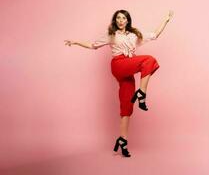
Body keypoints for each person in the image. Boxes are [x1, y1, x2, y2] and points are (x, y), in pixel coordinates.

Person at [64, 9, 173, 157]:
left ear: (128, 20)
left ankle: (122, 140)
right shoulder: (112, 35)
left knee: (127, 106)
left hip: (128, 69)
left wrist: (166, 20)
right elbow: (92, 45)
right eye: (118, 18)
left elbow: (155, 34)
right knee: (149, 60)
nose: (120, 20)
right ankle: (141, 93)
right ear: (115, 21)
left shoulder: (135, 36)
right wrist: (76, 42)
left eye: (123, 18)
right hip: (118, 65)